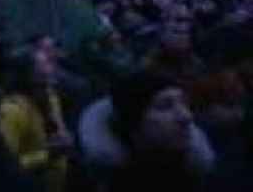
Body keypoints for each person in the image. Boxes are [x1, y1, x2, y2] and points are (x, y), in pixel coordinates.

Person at [79, 71, 215, 192]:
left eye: (184, 104)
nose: (186, 116)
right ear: (132, 122)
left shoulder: (203, 176)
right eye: (165, 106)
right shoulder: (88, 183)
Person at [0, 50, 73, 192]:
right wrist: (47, 155)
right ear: (26, 73)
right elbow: (6, 167)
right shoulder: (12, 110)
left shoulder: (50, 96)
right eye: (44, 63)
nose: (51, 66)